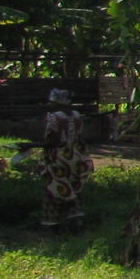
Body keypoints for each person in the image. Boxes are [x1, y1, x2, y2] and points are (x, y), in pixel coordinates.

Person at [39, 88, 92, 230]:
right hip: (75, 157)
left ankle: (52, 224)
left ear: (58, 102)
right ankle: (76, 220)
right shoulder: (77, 116)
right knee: (72, 189)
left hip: (58, 159)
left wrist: (31, 145)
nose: (50, 105)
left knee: (53, 190)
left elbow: (53, 142)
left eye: (52, 102)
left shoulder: (54, 117)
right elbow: (80, 139)